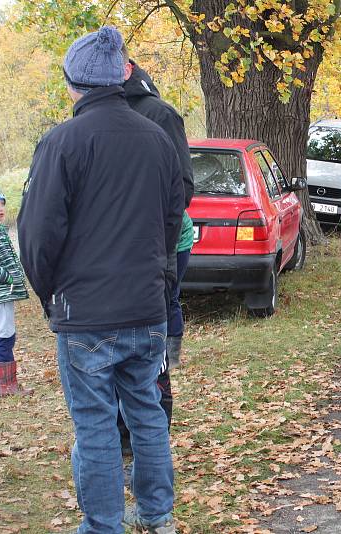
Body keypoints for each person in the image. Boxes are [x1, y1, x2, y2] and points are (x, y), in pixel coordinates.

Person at [18, 26, 183, 533]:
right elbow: (173, 218)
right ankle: (157, 515)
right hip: (142, 307)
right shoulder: (156, 137)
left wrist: (51, 295)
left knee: (97, 425)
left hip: (89, 313)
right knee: (146, 412)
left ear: (75, 83)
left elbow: (38, 233)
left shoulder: (63, 141)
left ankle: (105, 524)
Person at [115, 47, 195, 459]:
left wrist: (157, 250)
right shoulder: (94, 114)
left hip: (158, 252)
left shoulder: (158, 113)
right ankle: (124, 435)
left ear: (126, 68)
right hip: (111, 263)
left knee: (153, 347)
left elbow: (182, 188)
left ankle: (150, 437)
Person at [0, 191, 31, 397]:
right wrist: (8, 277)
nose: (1, 210)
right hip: (0, 294)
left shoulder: (0, 230)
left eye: (2, 205)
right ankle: (5, 385)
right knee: (5, 335)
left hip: (4, 294)